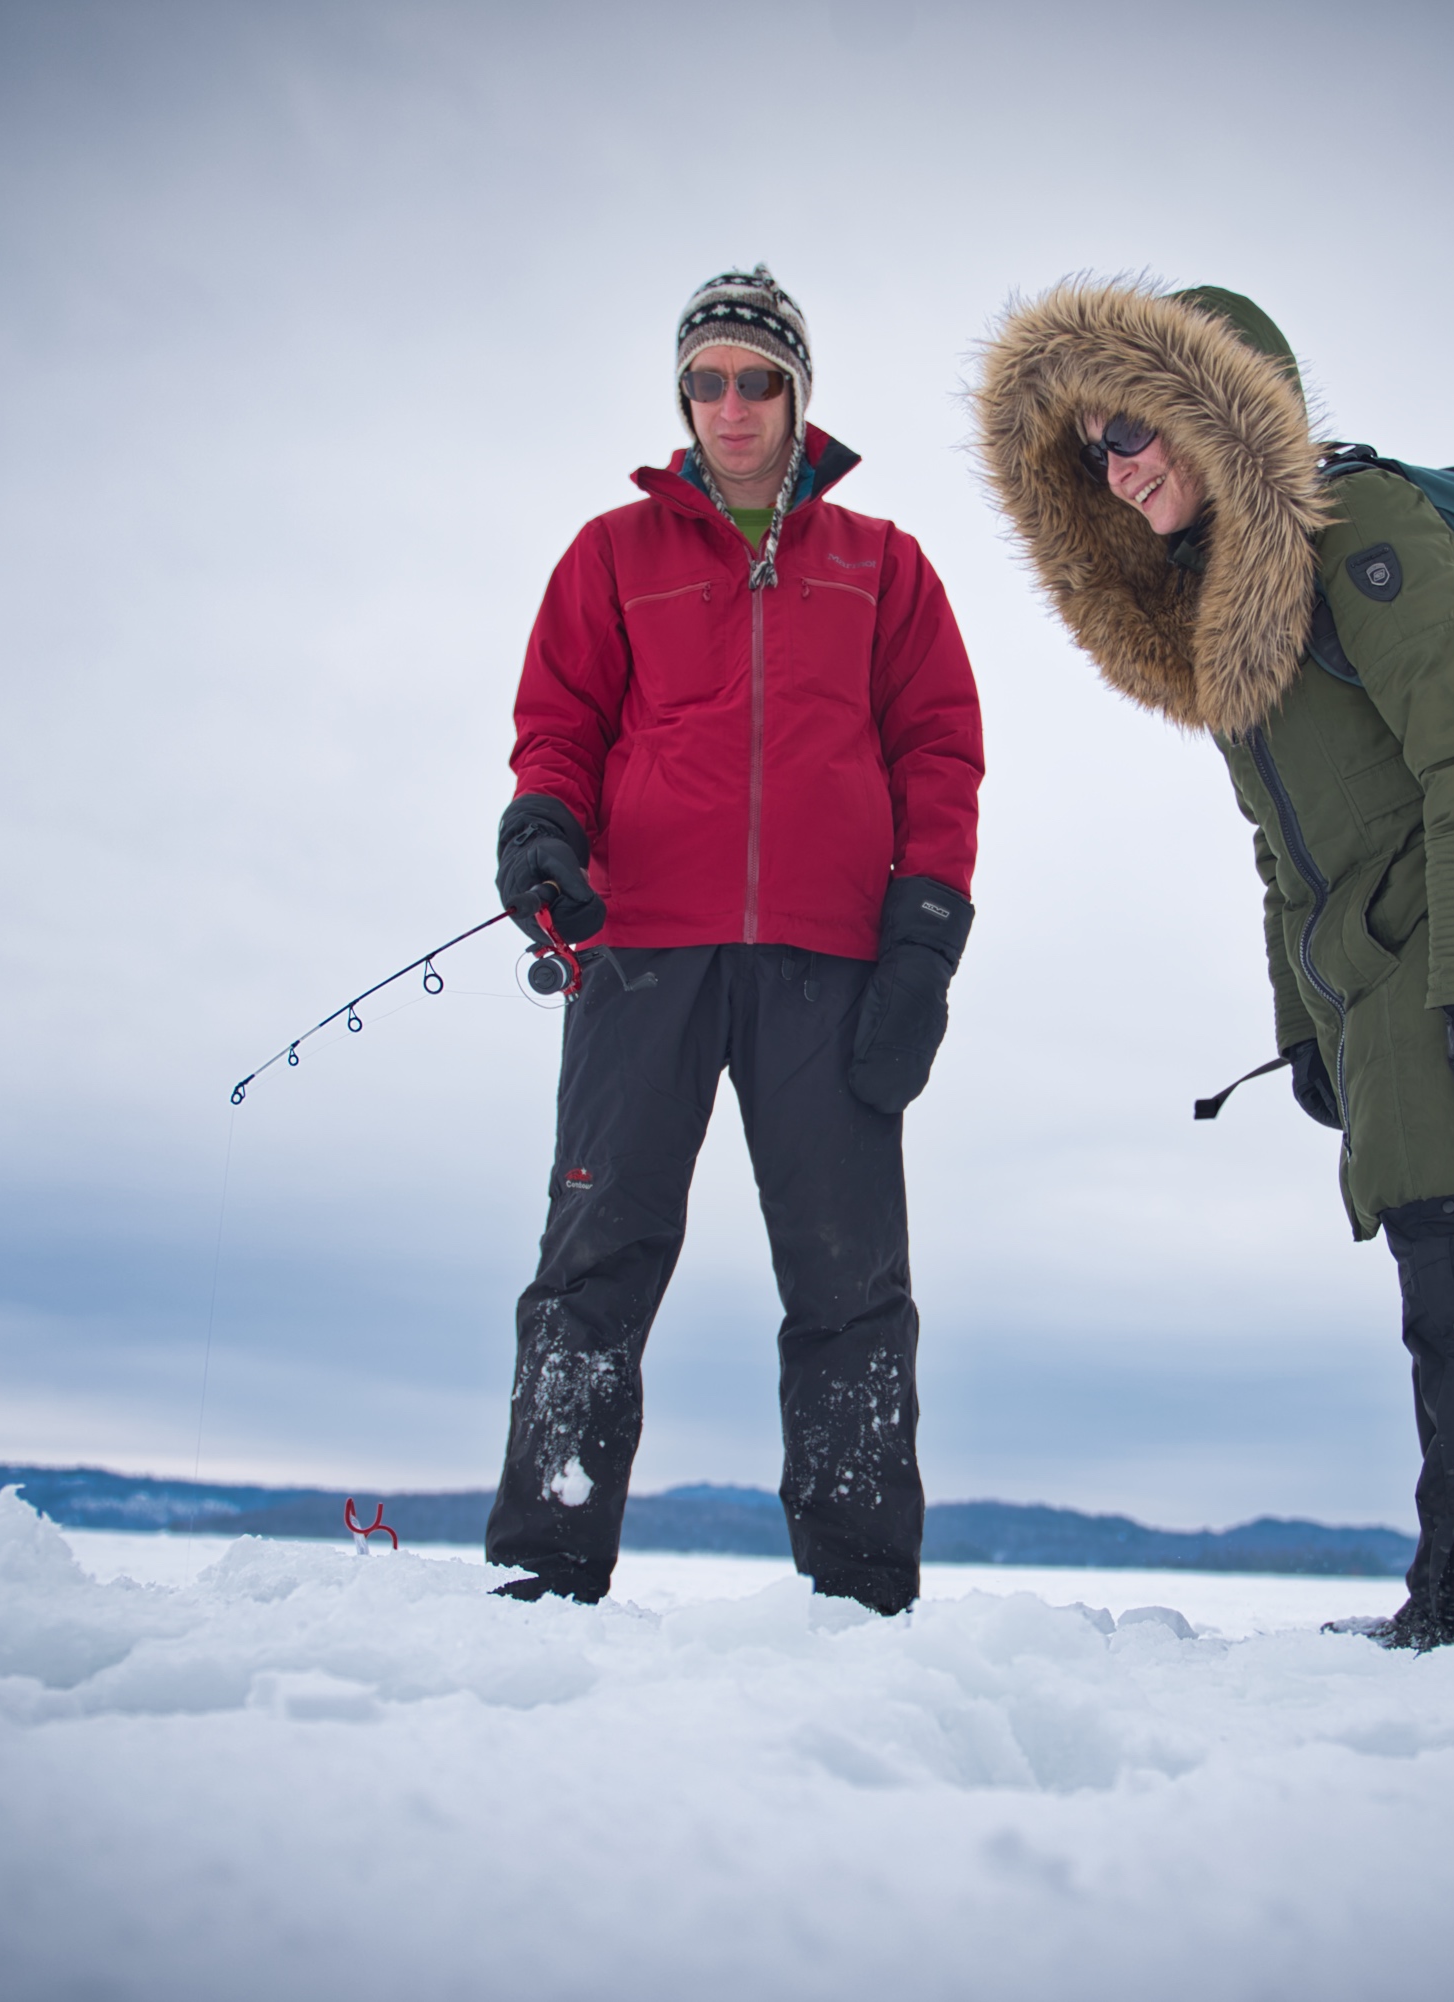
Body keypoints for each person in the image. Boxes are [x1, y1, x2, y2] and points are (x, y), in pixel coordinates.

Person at [971, 282, 1454, 1648]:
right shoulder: (1222, 603)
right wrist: (1304, 1024)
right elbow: (1279, 849)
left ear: (1217, 404)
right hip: (1383, 973)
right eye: (1099, 446)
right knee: (1445, 1289)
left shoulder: (1366, 533)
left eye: (1141, 424)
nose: (1122, 466)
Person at [485, 265, 984, 1615]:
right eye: (707, 379)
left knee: (849, 1277)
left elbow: (941, 752)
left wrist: (925, 935)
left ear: (798, 395)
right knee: (594, 1259)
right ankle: (548, 1554)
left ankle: (863, 1583)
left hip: (830, 962)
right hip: (640, 947)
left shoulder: (886, 566)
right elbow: (560, 727)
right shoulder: (610, 555)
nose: (733, 403)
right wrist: (541, 832)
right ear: (683, 399)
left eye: (758, 379)